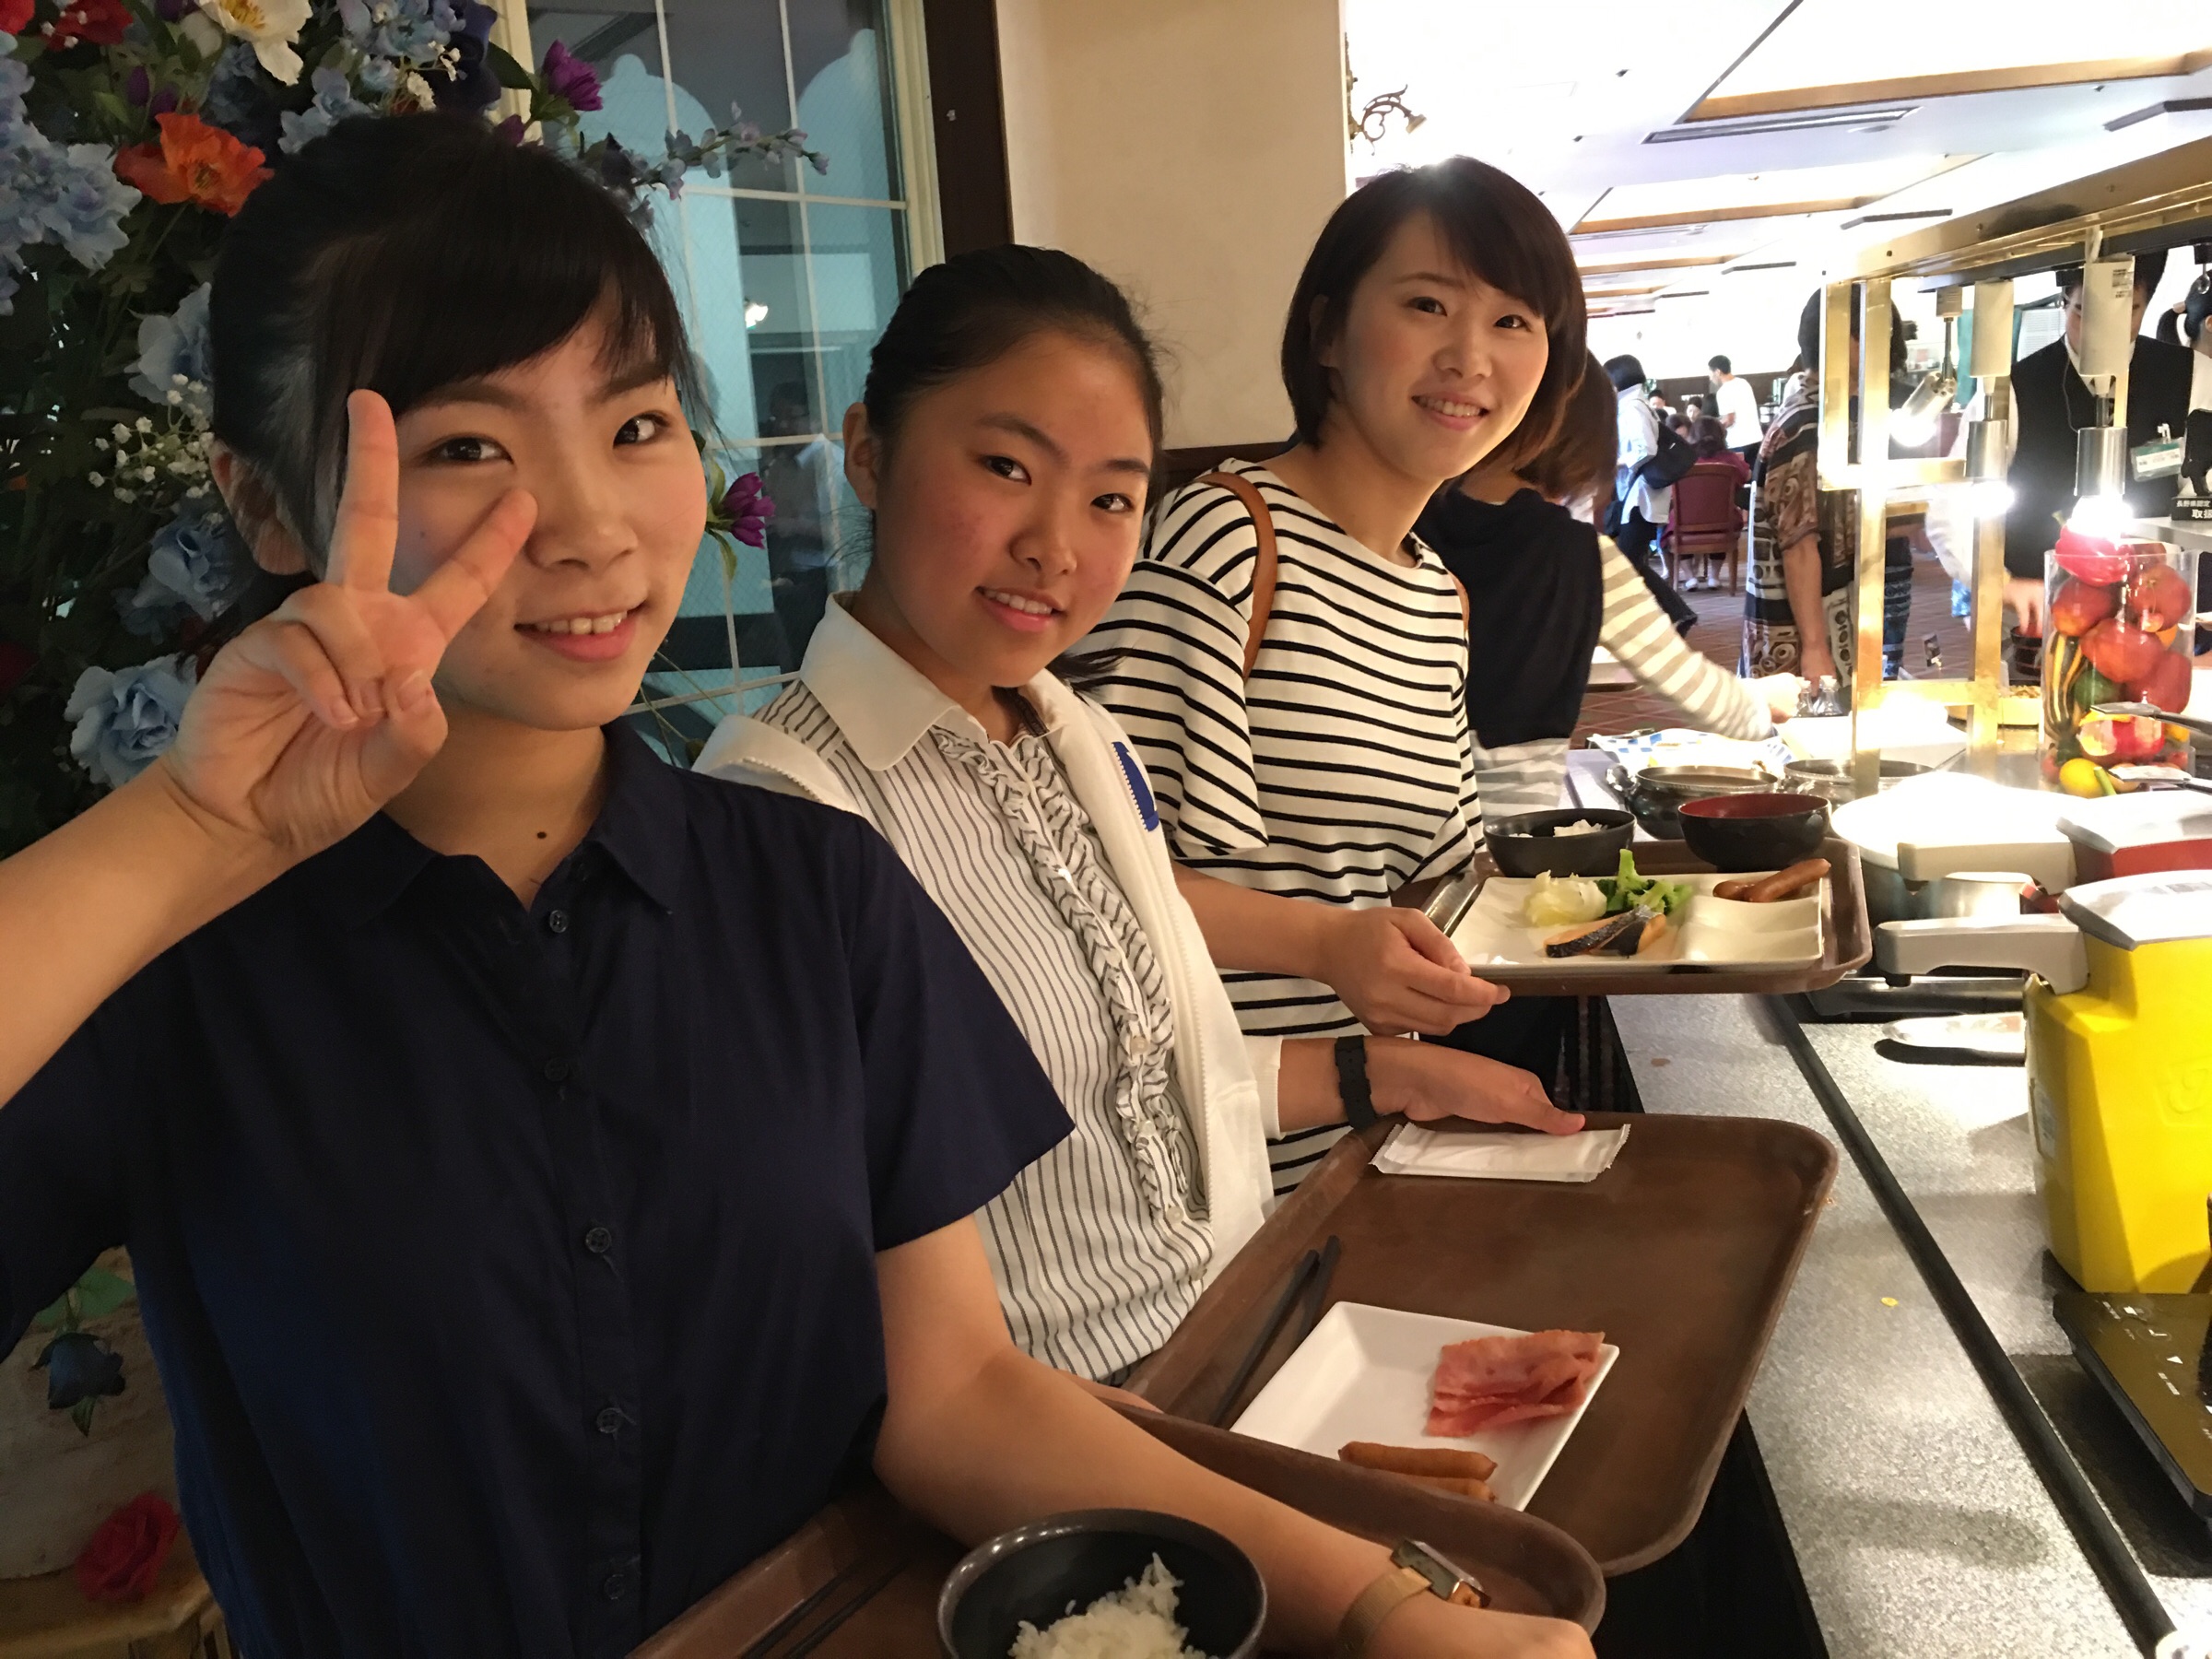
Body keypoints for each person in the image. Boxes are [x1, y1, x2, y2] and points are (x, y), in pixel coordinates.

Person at [0, 117, 1591, 1659]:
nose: (590, 525)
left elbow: (957, 1397)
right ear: (264, 501)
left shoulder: (814, 893)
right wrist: (189, 829)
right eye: (470, 445)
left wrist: (1389, 1608)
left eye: (635, 427)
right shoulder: (170, 956)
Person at [696, 245, 1582, 1387]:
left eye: (1112, 497)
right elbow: (843, 1312)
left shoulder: (1078, 740)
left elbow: (1134, 1093)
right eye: (1006, 466)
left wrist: (1383, 1075)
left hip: (1249, 1325)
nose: (1055, 546)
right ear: (869, 451)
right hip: (1065, 1430)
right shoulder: (776, 811)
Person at [1087, 158, 1584, 1195]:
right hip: (1200, 1167)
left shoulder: (1437, 594)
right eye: (1426, 305)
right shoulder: (1226, 538)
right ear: (1326, 333)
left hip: (1362, 1151)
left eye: (1512, 321)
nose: (1468, 357)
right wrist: (1326, 945)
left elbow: (1435, 885)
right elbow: (1094, 878)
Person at [1418, 356, 1794, 818]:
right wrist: (1765, 704)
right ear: (1585, 444)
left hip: (1392, 805)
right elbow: (1693, 689)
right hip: (1505, 821)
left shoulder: (1406, 525)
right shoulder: (1581, 554)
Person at [2003, 252, 2194, 638]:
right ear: (2064, 302)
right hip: (2041, 613)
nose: (2105, 330)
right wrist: (2002, 582)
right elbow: (1954, 504)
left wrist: (2165, 570)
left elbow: (2199, 498)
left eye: (2129, 311)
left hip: (2154, 620)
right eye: (2083, 312)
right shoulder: (2015, 387)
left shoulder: (2192, 375)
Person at [1606, 354, 1699, 635]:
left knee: (1626, 564)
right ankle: (1676, 614)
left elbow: (1644, 450)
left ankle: (1675, 614)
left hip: (1640, 498)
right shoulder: (1637, 404)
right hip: (1643, 497)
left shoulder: (1631, 407)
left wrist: (1615, 463)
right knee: (1631, 562)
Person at [758, 380, 840, 665]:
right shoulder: (779, 466)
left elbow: (846, 531)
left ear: (815, 417)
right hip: (785, 580)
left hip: (824, 580)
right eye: (776, 418)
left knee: (820, 664)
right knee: (789, 660)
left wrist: (794, 526)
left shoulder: (832, 463)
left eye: (791, 417)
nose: (782, 426)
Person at [1669, 417, 1751, 592]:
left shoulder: (1682, 459)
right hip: (1723, 522)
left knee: (1672, 521)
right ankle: (1714, 576)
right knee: (1724, 515)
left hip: (1686, 523)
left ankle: (1690, 577)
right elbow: (1746, 476)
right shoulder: (1730, 459)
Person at [1708, 354, 1764, 466]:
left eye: (1710, 373)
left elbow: (1729, 420)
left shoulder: (1723, 391)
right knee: (1754, 475)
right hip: (1757, 439)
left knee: (1740, 475)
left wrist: (1713, 428)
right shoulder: (1743, 383)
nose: (1710, 378)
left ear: (1718, 372)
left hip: (1739, 443)